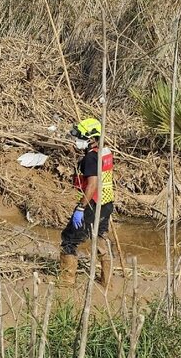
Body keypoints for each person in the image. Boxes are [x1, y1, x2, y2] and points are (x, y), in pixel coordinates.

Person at [59, 118, 115, 288]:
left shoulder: (91, 158)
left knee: (69, 239)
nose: (77, 141)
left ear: (92, 139)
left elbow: (92, 185)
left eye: (82, 137)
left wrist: (80, 207)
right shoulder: (105, 152)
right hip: (106, 203)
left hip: (92, 204)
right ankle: (107, 282)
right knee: (100, 238)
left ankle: (66, 283)